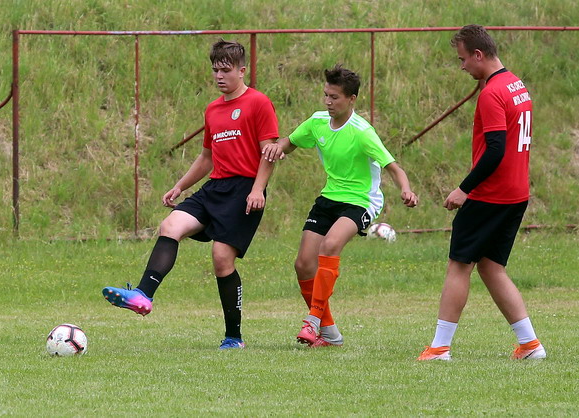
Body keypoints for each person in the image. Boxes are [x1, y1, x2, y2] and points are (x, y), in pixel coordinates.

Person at [102, 39, 279, 350]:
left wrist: (257, 189)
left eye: (226, 70)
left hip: (244, 190)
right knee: (170, 226)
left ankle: (233, 337)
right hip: (215, 187)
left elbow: (269, 151)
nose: (219, 76)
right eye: (215, 70)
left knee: (221, 259)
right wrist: (180, 186)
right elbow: (207, 157)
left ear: (242, 71)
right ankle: (143, 295)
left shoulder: (258, 103)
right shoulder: (213, 109)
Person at [263, 65, 418, 347]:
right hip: (330, 197)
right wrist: (278, 147)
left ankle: (313, 321)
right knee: (303, 264)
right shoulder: (317, 122)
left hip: (361, 201)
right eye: (326, 95)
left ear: (351, 99)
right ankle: (331, 334)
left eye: (334, 97)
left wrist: (406, 189)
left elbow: (394, 168)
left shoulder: (362, 132)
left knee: (330, 245)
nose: (328, 101)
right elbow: (291, 141)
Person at [417, 25, 545, 361]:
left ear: (478, 54)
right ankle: (530, 344)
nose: (462, 66)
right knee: (491, 266)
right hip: (516, 193)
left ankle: (439, 347)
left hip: (491, 195)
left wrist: (464, 189)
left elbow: (495, 149)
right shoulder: (516, 84)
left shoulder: (492, 93)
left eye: (462, 59)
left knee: (459, 265)